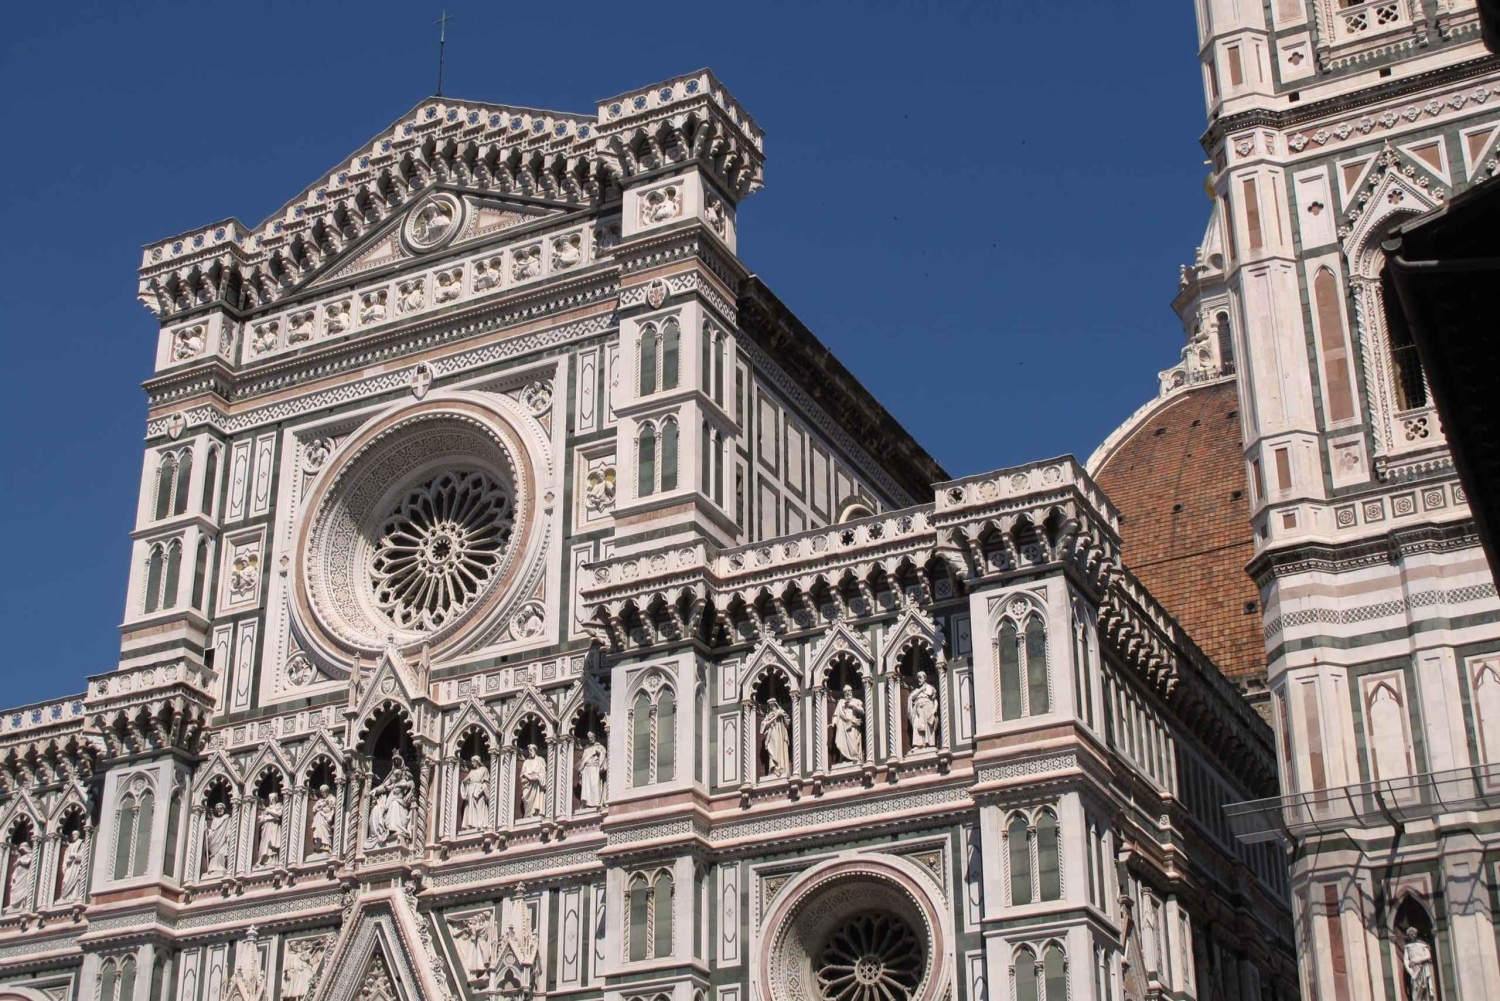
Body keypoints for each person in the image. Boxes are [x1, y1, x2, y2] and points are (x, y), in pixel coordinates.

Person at [832, 684, 865, 763]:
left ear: (851, 692)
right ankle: (844, 759)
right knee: (842, 743)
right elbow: (836, 714)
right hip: (843, 726)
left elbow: (862, 711)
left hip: (853, 726)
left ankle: (855, 757)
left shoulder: (857, 701)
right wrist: (834, 721)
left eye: (849, 691)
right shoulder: (840, 702)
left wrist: (853, 705)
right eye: (845, 691)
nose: (847, 693)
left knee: (853, 742)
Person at [908, 670, 939, 750]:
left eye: (920, 678)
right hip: (917, 709)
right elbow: (912, 697)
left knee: (928, 725)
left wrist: (934, 710)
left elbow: (935, 700)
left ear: (925, 678)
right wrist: (921, 690)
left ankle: (929, 744)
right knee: (916, 725)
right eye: (918, 678)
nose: (919, 679)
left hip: (928, 707)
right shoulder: (916, 691)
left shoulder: (930, 688)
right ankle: (918, 745)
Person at [1403, 927, 1436, 1001]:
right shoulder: (1407, 947)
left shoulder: (1422, 945)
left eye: (1413, 933)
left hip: (1423, 968)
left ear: (1416, 934)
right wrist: (1411, 972)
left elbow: (1428, 956)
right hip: (1414, 970)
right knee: (1415, 989)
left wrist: (1418, 960)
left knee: (1425, 988)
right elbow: (1406, 960)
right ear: (1408, 936)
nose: (1412, 935)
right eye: (1410, 934)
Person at [761, 699, 791, 777]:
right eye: (770, 706)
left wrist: (782, 716)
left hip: (780, 734)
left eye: (773, 705)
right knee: (772, 752)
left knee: (779, 749)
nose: (771, 707)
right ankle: (774, 770)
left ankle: (780, 768)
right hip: (771, 735)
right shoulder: (768, 716)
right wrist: (775, 717)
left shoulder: (781, 711)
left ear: (776, 705)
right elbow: (763, 726)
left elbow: (787, 724)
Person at [461, 755, 491, 832]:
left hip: (479, 790)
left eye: (473, 761)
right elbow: (464, 781)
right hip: (471, 790)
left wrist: (481, 791)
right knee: (471, 808)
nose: (472, 763)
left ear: (477, 761)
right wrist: (465, 783)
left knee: (480, 806)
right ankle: (472, 824)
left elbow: (486, 782)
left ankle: (481, 825)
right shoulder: (472, 772)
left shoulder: (484, 769)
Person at [579, 732, 607, 808]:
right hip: (587, 769)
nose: (591, 739)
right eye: (589, 738)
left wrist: (600, 753)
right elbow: (583, 760)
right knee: (587, 787)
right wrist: (582, 769)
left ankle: (597, 801)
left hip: (595, 768)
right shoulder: (586, 748)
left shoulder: (599, 746)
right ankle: (587, 804)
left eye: (592, 737)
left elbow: (604, 755)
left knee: (595, 785)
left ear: (594, 737)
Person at [57, 829, 85, 902]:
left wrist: (74, 855)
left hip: (76, 866)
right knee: (65, 881)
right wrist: (65, 865)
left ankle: (73, 896)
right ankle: (64, 897)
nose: (73, 836)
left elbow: (83, 855)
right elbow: (66, 856)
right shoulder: (70, 845)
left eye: (75, 834)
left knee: (75, 881)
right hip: (70, 866)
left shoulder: (81, 843)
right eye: (72, 835)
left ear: (78, 835)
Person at [205, 801, 233, 875]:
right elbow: (213, 830)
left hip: (223, 840)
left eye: (221, 808)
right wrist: (208, 831)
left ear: (224, 809)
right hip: (214, 841)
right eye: (217, 809)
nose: (219, 810)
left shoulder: (227, 818)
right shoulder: (215, 820)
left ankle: (221, 867)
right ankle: (212, 868)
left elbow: (228, 828)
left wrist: (229, 836)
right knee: (214, 856)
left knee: (221, 853)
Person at [256, 791, 284, 867]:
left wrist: (270, 812)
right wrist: (262, 819)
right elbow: (262, 817)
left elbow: (279, 814)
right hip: (266, 827)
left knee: (272, 844)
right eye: (270, 798)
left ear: (276, 799)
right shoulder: (267, 808)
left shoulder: (279, 806)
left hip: (274, 827)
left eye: (273, 799)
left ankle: (273, 861)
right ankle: (264, 860)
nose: (271, 800)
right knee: (265, 844)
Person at [519, 745, 547, 818]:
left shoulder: (540, 760)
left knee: (537, 798)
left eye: (531, 750)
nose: (530, 752)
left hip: (536, 783)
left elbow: (543, 772)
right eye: (529, 750)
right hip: (528, 783)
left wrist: (538, 778)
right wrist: (529, 777)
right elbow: (523, 773)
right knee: (526, 797)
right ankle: (528, 814)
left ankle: (536, 813)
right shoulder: (526, 762)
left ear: (535, 750)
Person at [5, 842, 32, 912]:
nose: (22, 851)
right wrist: (13, 876)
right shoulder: (21, 857)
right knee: (14, 889)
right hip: (18, 876)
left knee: (23, 890)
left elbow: (27, 862)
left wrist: (19, 861)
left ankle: (22, 905)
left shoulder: (30, 855)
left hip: (24, 875)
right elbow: (15, 867)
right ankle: (13, 905)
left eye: (23, 849)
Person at [310, 785, 336, 855]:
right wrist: (318, 807)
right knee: (318, 832)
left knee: (326, 832)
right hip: (319, 817)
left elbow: (333, 809)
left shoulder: (332, 798)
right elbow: (314, 809)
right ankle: (318, 847)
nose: (323, 793)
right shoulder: (320, 801)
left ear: (328, 791)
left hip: (326, 818)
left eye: (324, 791)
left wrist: (330, 816)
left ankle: (327, 846)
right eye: (322, 792)